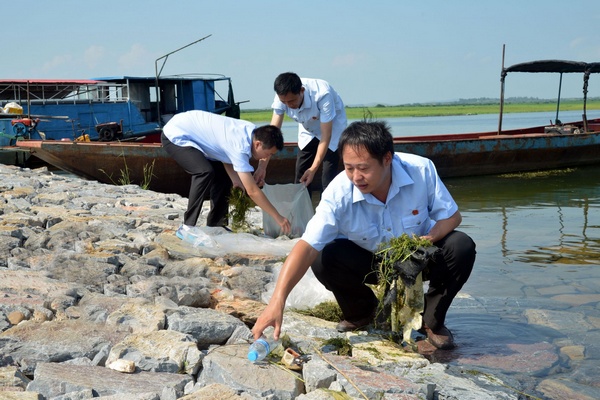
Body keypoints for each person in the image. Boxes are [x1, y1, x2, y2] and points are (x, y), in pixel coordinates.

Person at [252, 120, 476, 350]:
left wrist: (428, 239)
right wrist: (277, 301)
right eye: (349, 168)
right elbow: (307, 246)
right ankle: (362, 311)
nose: (356, 177)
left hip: (416, 257)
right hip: (372, 262)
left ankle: (431, 320)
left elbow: (452, 217)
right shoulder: (338, 193)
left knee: (461, 246)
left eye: (363, 168)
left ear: (387, 159)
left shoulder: (421, 170)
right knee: (323, 257)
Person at [161, 110, 291, 236]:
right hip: (175, 133)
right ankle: (187, 227)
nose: (265, 158)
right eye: (268, 154)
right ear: (257, 144)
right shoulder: (239, 146)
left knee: (223, 174)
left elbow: (225, 155)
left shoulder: (252, 132)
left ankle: (216, 224)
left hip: (192, 130)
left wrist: (236, 180)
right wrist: (278, 217)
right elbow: (252, 191)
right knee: (204, 171)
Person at [259, 72, 347, 197]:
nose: (289, 105)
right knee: (301, 175)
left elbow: (326, 135)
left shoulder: (322, 94)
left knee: (328, 176)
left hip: (332, 128)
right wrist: (262, 167)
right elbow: (271, 135)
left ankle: (328, 212)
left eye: (292, 101)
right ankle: (302, 213)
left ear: (302, 90)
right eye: (285, 102)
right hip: (307, 128)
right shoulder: (282, 97)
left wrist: (313, 169)